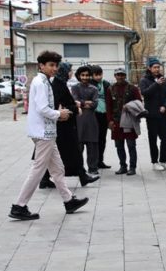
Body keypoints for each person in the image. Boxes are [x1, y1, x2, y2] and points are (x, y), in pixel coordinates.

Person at [9, 50, 89, 221]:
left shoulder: (45, 81)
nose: (54, 68)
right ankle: (19, 206)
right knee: (38, 169)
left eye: (56, 65)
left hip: (48, 131)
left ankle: (69, 201)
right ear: (41, 65)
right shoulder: (40, 83)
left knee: (57, 168)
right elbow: (42, 109)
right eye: (51, 65)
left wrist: (58, 114)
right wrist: (59, 114)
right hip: (43, 132)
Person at [41, 63, 98, 188]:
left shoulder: (57, 83)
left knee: (59, 153)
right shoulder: (59, 85)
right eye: (70, 71)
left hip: (61, 126)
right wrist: (76, 108)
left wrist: (75, 103)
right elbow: (63, 104)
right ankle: (81, 176)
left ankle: (81, 176)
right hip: (63, 127)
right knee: (69, 152)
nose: (71, 73)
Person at [106, 69, 143, 175]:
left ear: (125, 75)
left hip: (129, 121)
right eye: (118, 75)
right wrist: (109, 121)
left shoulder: (133, 88)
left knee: (131, 145)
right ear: (115, 76)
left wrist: (129, 106)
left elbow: (139, 102)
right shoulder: (110, 89)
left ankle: (132, 167)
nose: (120, 77)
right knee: (119, 145)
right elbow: (108, 106)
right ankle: (123, 166)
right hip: (116, 121)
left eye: (122, 75)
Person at [141, 58, 166, 171]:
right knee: (153, 139)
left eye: (158, 67)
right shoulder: (144, 80)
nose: (157, 69)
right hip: (152, 114)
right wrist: (156, 84)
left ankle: (163, 161)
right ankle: (154, 162)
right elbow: (145, 93)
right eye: (154, 67)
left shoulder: (163, 80)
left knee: (165, 138)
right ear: (149, 68)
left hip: (163, 114)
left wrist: (165, 106)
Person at [70, 65, 100, 175]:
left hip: (91, 120)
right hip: (78, 119)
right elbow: (75, 101)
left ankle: (93, 168)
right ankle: (79, 169)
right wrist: (85, 102)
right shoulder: (75, 87)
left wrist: (82, 103)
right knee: (79, 146)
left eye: (87, 75)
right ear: (79, 76)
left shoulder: (94, 89)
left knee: (92, 146)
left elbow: (95, 104)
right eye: (83, 75)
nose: (85, 77)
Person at [91, 65, 112, 169]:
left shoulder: (106, 84)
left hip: (104, 114)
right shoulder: (89, 84)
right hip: (94, 115)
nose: (99, 77)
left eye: (100, 74)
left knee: (102, 138)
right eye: (96, 75)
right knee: (94, 139)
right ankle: (93, 162)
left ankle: (100, 160)